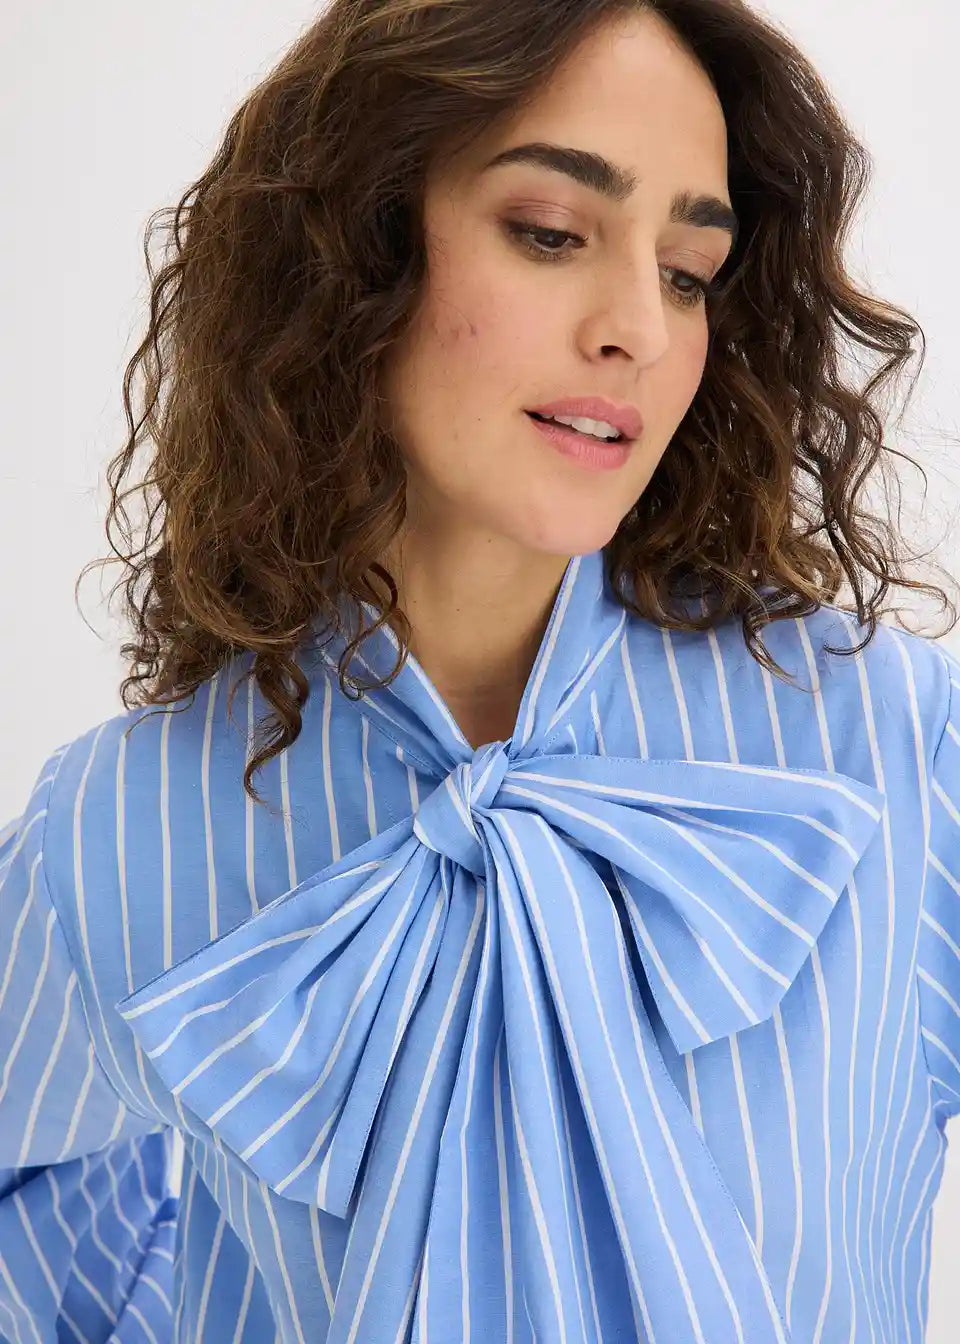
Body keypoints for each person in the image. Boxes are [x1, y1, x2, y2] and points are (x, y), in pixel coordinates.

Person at [2, 0, 958, 1339]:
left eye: (689, 271)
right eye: (552, 233)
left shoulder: (892, 739)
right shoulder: (114, 827)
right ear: (358, 246)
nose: (639, 326)